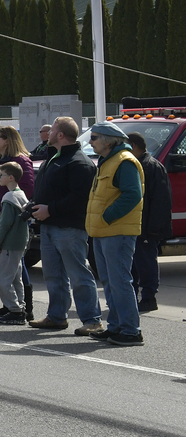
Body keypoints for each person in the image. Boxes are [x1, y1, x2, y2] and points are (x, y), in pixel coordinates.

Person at [26, 117, 102, 335]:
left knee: (79, 274)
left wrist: (50, 209)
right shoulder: (54, 158)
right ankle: (57, 316)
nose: (47, 133)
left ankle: (92, 320)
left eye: (52, 130)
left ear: (60, 135)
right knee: (54, 274)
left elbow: (81, 197)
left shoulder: (79, 162)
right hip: (50, 227)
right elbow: (48, 190)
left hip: (69, 228)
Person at [84, 122, 144, 346]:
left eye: (94, 137)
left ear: (108, 141)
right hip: (104, 231)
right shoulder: (108, 161)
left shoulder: (124, 162)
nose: (91, 142)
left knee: (119, 281)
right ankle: (116, 326)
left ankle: (131, 331)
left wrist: (107, 217)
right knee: (110, 282)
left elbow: (132, 195)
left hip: (116, 231)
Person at [127, 131, 169, 314]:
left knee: (146, 264)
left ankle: (149, 297)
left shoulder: (151, 167)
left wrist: (153, 229)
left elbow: (161, 201)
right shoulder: (136, 165)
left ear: (134, 146)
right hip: (135, 226)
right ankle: (134, 297)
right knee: (134, 265)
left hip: (147, 228)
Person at [0, 161, 29, 324]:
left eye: (1, 175)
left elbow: (4, 223)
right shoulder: (21, 194)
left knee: (2, 279)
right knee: (15, 277)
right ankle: (18, 305)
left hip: (9, 243)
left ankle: (15, 310)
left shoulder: (9, 197)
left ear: (11, 177)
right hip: (19, 242)